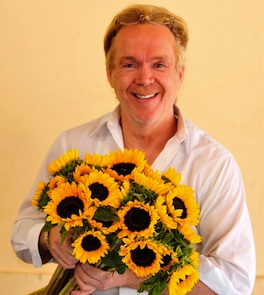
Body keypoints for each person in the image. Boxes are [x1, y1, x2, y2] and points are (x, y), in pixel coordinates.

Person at [11, 4, 255, 295]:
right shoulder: (73, 145)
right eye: (129, 64)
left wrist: (133, 275)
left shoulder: (214, 165)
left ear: (180, 75)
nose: (144, 78)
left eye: (159, 64)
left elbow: (235, 283)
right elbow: (22, 235)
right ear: (110, 74)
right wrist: (50, 238)